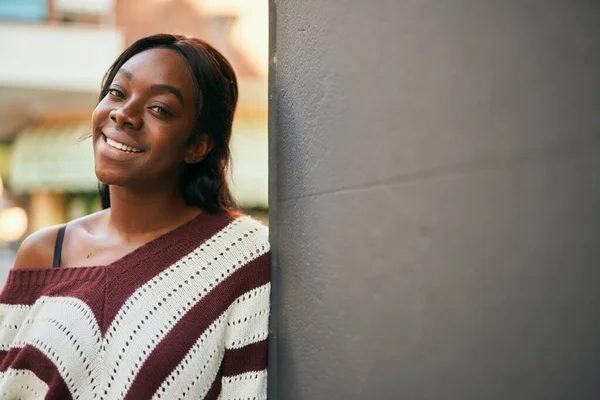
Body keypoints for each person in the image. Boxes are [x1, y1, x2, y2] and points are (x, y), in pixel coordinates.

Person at [0, 34, 269, 399]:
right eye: (117, 92)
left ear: (197, 146)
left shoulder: (242, 257)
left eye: (159, 108)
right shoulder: (46, 252)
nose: (124, 114)